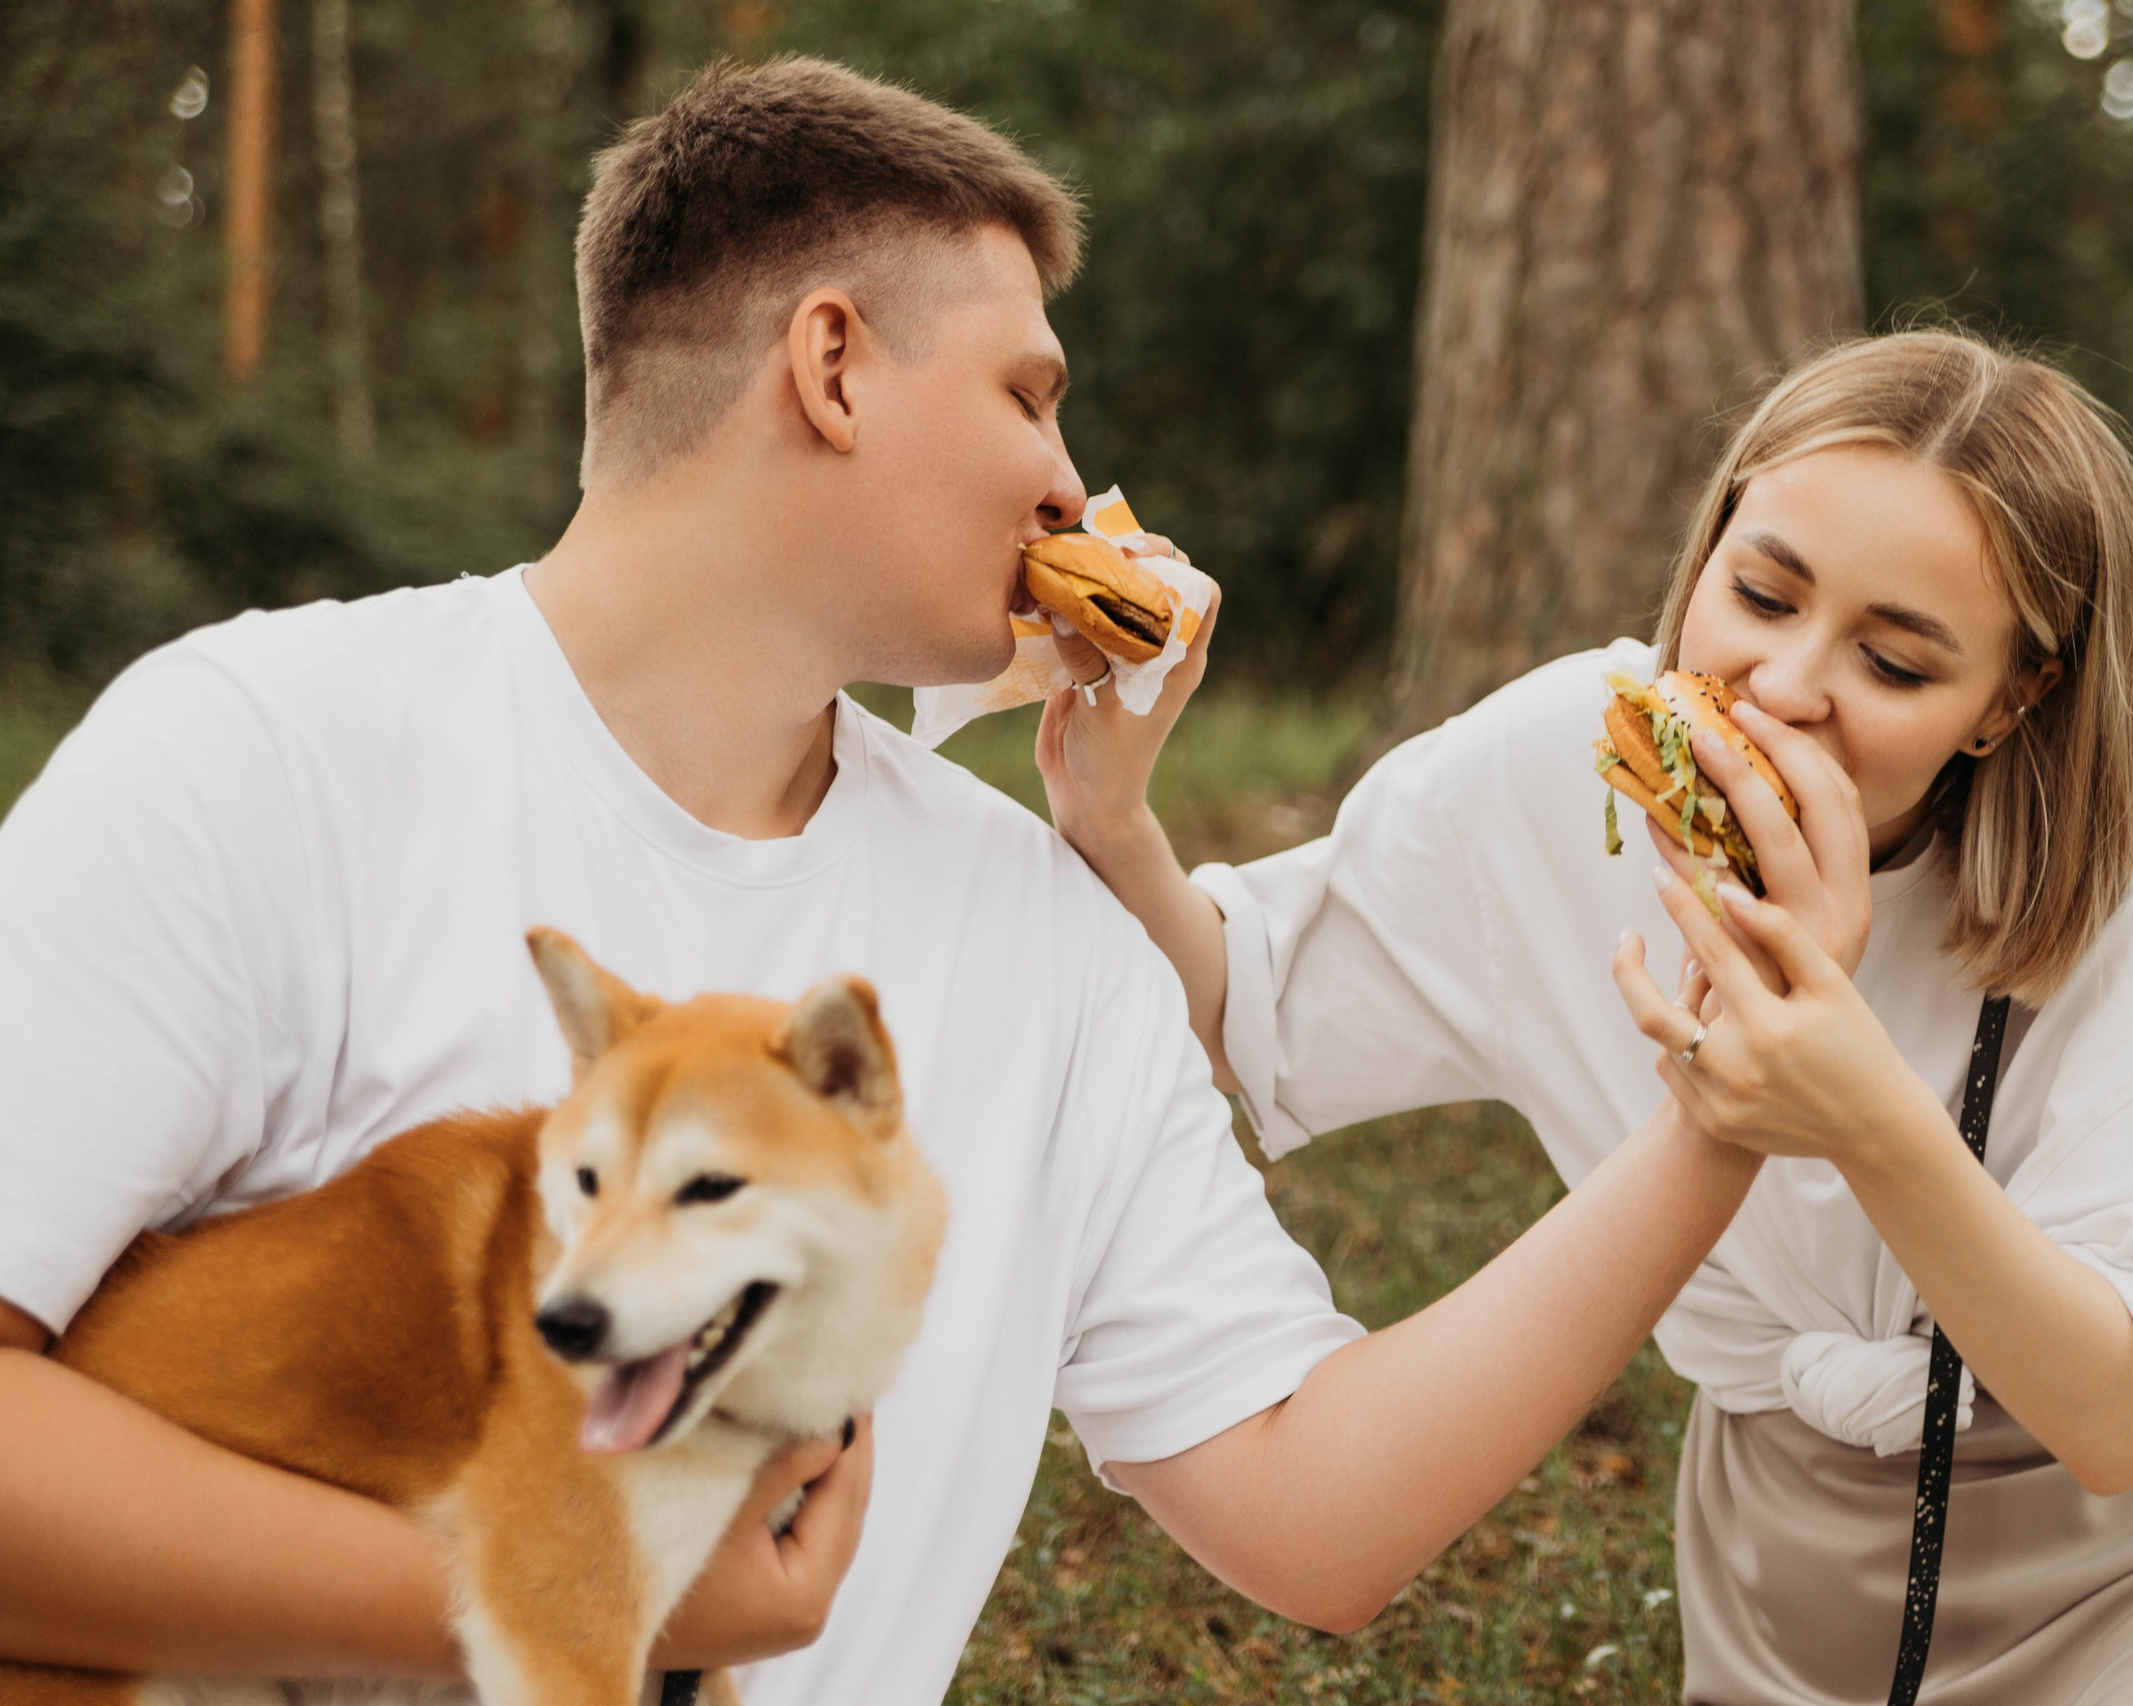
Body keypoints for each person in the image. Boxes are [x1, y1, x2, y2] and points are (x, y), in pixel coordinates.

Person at [0, 56, 1765, 1705]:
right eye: (1028, 392)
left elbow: (1319, 1515)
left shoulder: (1048, 929)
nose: (1075, 481)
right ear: (832, 366)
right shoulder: (260, 757)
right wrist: (578, 1595)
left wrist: (1716, 1124)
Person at [1043, 331, 2133, 1702]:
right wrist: (1112, 813)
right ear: (1711, 542)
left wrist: (1855, 1108)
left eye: (1894, 662)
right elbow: (1241, 1000)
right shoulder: (1558, 762)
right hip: (1787, 1564)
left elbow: (2122, 1425)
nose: (1785, 682)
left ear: (2010, 699)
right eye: (1761, 592)